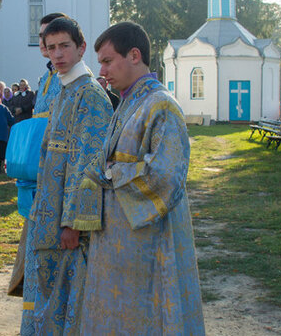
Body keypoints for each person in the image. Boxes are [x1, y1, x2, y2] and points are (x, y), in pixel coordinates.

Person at [80, 21, 204, 333]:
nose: (103, 71)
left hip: (147, 241)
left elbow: (164, 177)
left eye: (108, 61)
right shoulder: (127, 103)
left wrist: (108, 172)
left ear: (134, 55)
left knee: (149, 315)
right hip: (114, 239)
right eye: (101, 63)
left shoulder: (161, 105)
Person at [28, 16, 112, 334]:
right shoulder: (63, 90)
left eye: (65, 46)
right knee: (56, 301)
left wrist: (72, 224)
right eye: (51, 48)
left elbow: (88, 165)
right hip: (51, 218)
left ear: (81, 48)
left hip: (70, 229)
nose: (58, 54)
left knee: (74, 302)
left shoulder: (88, 95)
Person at [7, 13, 66, 336]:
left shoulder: (66, 79)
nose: (47, 45)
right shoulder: (45, 78)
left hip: (54, 179)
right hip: (36, 178)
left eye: (54, 39)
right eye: (44, 39)